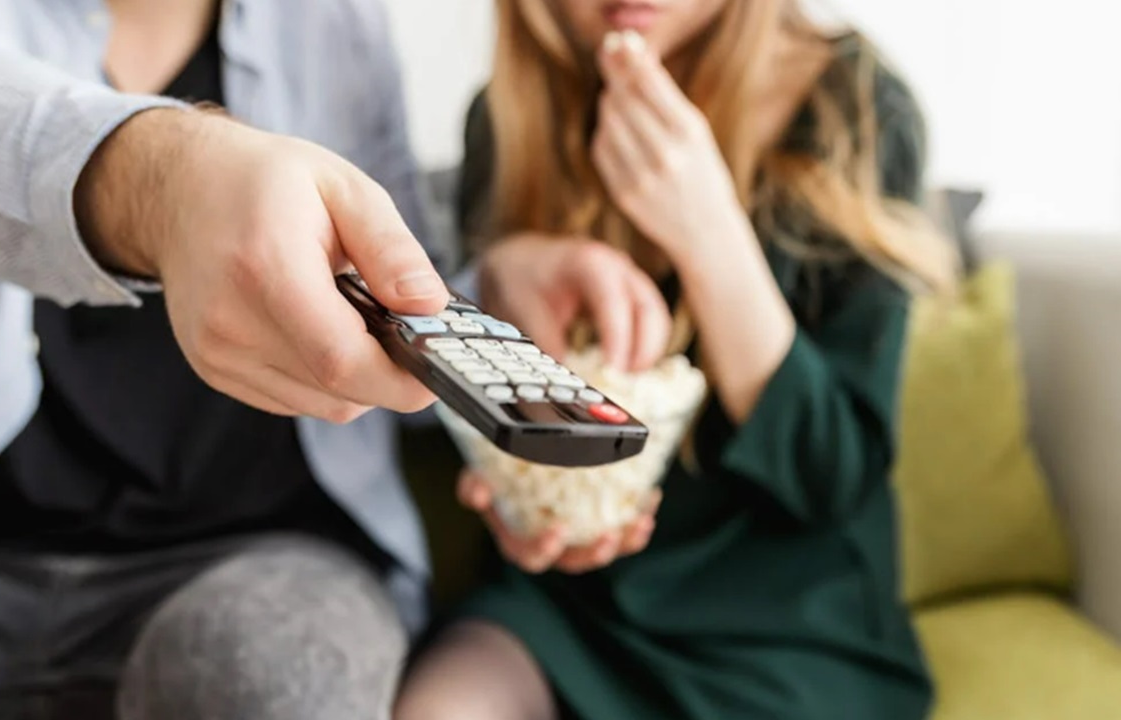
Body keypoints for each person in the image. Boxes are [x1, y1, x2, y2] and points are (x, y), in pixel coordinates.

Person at [0, 0, 464, 717]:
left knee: (268, 679)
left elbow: (409, 273)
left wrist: (503, 276)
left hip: (265, 557)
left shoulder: (336, 22)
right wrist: (169, 184)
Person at [396, 1, 956, 719]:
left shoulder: (856, 106)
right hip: (568, 609)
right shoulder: (509, 118)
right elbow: (512, 431)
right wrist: (524, 498)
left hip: (787, 624)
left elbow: (832, 473)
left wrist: (710, 233)